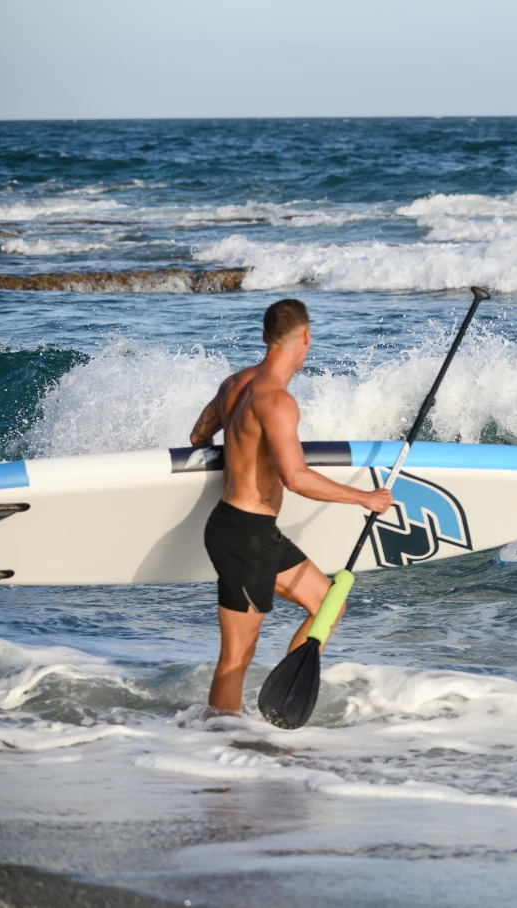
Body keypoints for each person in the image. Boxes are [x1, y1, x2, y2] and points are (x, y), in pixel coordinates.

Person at [189, 299, 392, 714]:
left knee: (327, 604)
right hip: (246, 536)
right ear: (305, 338)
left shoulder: (234, 385)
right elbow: (296, 478)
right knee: (236, 658)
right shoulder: (278, 402)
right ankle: (217, 748)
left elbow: (198, 436)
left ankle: (279, 700)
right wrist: (364, 498)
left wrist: (241, 461)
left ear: (266, 338)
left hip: (252, 532)